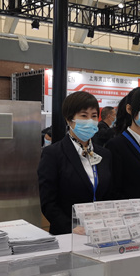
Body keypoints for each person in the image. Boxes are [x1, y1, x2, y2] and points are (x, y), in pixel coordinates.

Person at [37, 91, 112, 235]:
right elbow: (48, 203)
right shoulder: (53, 154)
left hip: (101, 231)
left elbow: (110, 194)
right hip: (68, 234)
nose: (90, 121)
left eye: (94, 116)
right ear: (69, 119)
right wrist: (71, 228)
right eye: (83, 116)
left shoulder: (104, 154)